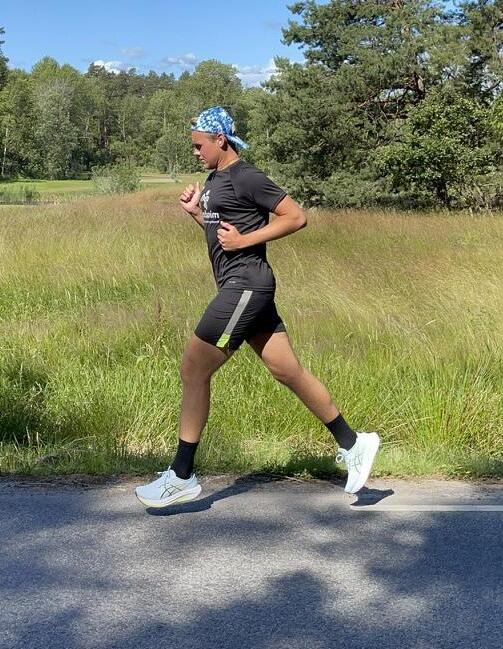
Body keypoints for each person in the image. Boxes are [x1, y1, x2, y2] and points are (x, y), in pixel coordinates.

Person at [135, 106, 380, 508]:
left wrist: (246, 241)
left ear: (220, 140)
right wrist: (197, 213)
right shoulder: (215, 180)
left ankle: (181, 475)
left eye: (199, 145)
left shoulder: (246, 176)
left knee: (193, 369)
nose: (195, 152)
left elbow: (295, 216)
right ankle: (354, 443)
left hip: (245, 288)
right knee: (287, 371)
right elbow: (222, 234)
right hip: (247, 290)